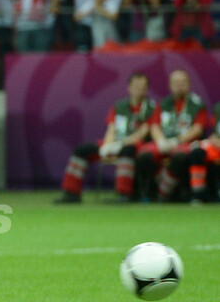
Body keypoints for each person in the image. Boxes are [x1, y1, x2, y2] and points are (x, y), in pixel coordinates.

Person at [56, 72, 155, 204]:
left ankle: (124, 194)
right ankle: (71, 193)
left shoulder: (151, 108)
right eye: (136, 86)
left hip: (137, 145)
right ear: (129, 88)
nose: (139, 89)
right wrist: (108, 145)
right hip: (115, 142)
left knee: (127, 150)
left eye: (143, 87)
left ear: (147, 89)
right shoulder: (119, 106)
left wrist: (121, 144)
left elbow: (143, 132)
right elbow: (111, 128)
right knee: (82, 150)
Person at [136, 69, 211, 201]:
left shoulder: (197, 105)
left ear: (189, 84)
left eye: (183, 82)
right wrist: (161, 141)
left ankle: (163, 193)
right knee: (143, 155)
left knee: (180, 157)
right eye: (176, 82)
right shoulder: (163, 104)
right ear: (170, 85)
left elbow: (198, 129)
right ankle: (152, 190)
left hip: (185, 143)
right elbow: (154, 126)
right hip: (164, 141)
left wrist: (177, 141)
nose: (179, 85)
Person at [187, 110, 220, 203]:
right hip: (216, 148)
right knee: (197, 152)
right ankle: (198, 195)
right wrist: (215, 140)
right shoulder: (218, 109)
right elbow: (214, 134)